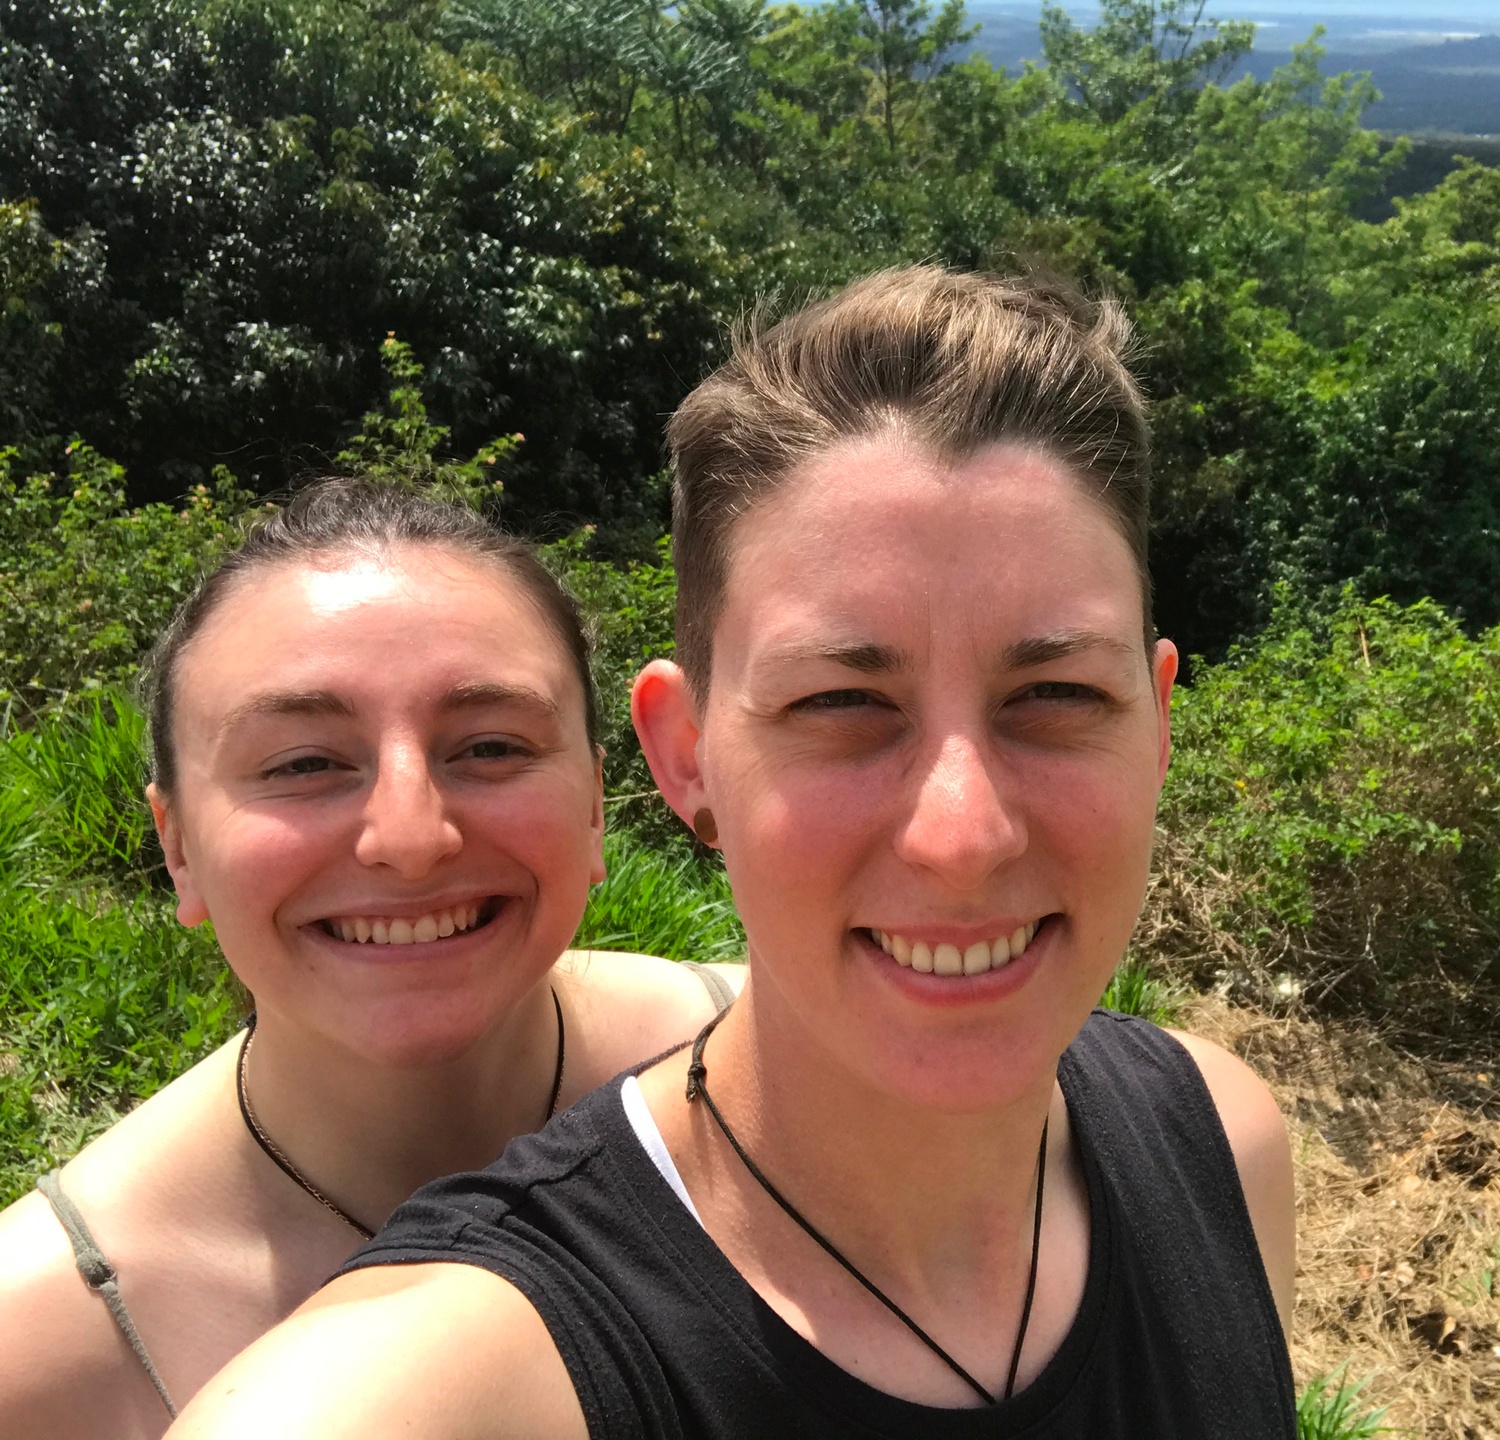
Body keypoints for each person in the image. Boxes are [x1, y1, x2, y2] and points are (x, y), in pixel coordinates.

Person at [171, 266, 1299, 1439]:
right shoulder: (431, 1394)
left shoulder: (1219, 1143)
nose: (964, 836)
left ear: (1156, 727)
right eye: (840, 705)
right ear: (686, 755)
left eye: (1056, 695)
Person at [0, 481, 744, 1439]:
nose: (410, 837)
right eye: (304, 763)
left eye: (489, 746)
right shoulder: (37, 1349)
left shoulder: (789, 1075)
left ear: (596, 804)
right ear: (177, 847)